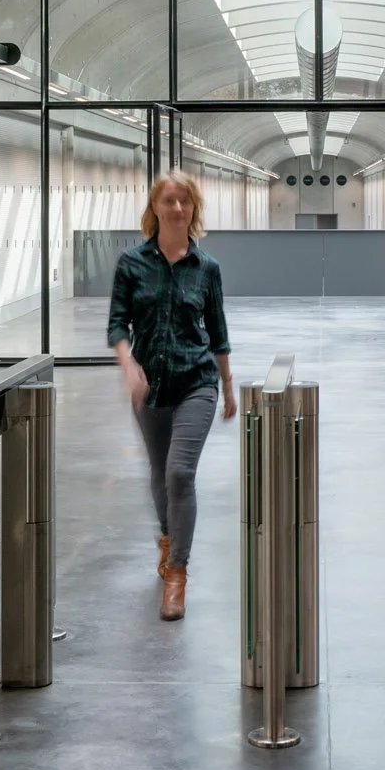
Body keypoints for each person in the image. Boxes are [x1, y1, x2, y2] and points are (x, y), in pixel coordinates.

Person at [108, 170, 235, 621]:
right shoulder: (131, 264)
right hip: (150, 387)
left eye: (185, 201)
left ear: (193, 209)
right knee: (160, 474)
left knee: (180, 474)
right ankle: (167, 540)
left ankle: (177, 572)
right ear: (155, 208)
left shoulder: (207, 268)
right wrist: (128, 365)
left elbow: (217, 332)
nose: (177, 209)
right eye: (169, 201)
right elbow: (117, 324)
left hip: (196, 381)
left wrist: (228, 387)